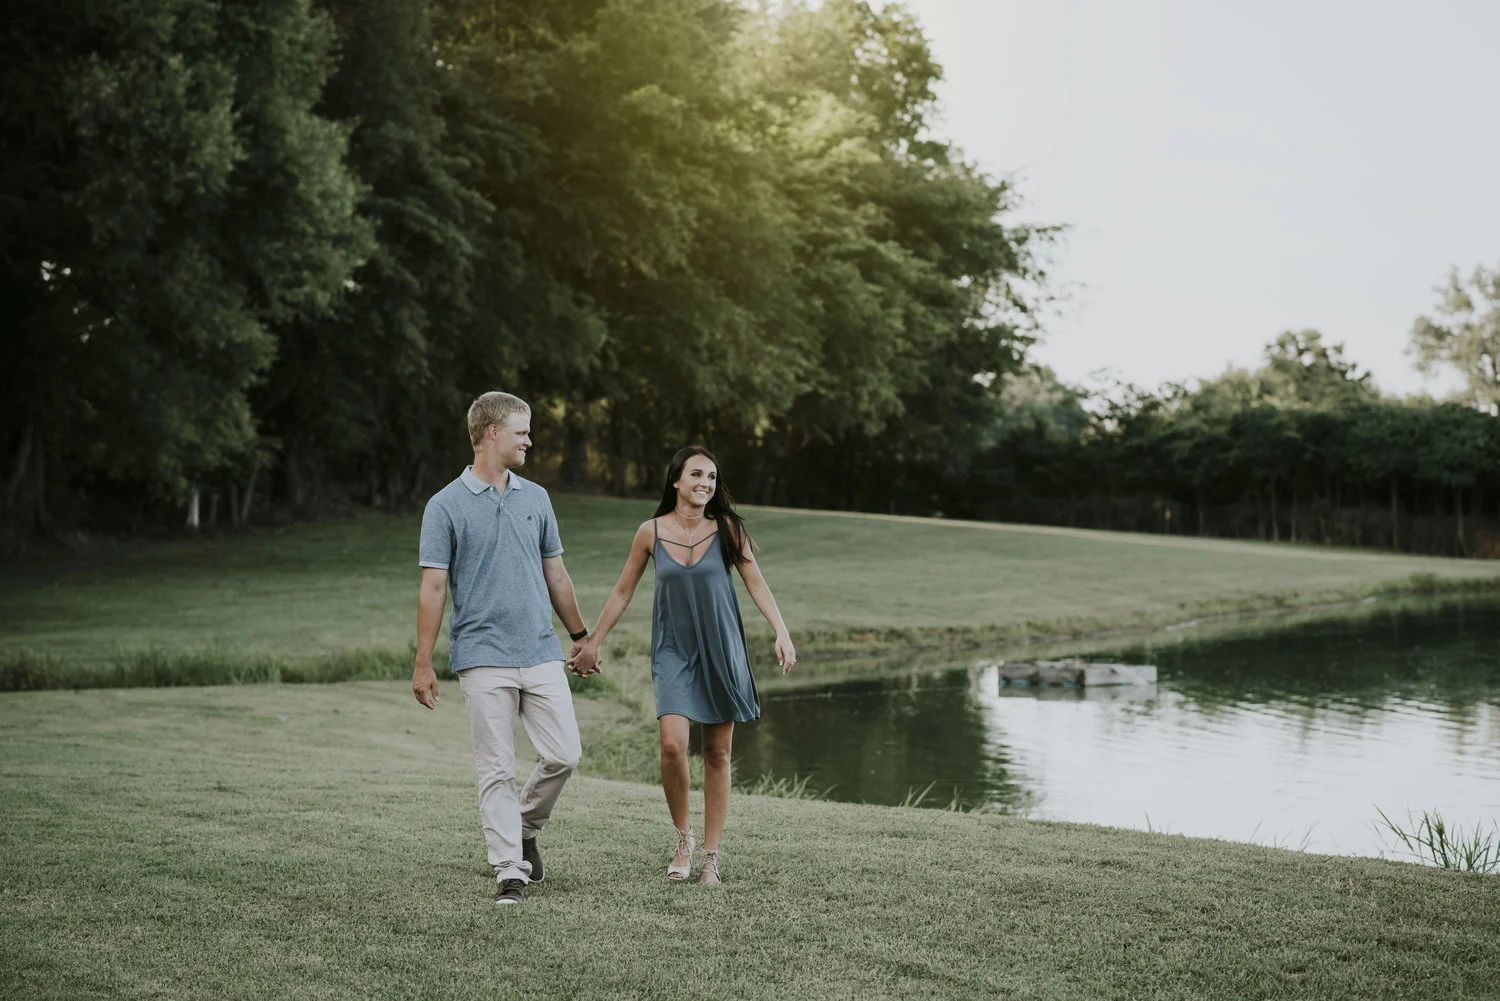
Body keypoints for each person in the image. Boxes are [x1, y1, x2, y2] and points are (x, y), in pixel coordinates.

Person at [411, 391, 600, 905]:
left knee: (564, 753)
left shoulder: (536, 498)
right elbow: (433, 588)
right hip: (481, 655)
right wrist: (423, 662)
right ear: (492, 432)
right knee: (496, 768)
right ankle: (508, 871)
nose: (529, 440)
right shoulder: (445, 506)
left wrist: (580, 638)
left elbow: (556, 574)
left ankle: (524, 828)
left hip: (540, 651)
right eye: (522, 431)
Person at [573, 446, 795, 884]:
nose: (706, 484)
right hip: (673, 650)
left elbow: (756, 582)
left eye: (712, 477)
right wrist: (593, 642)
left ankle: (711, 856)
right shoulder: (650, 532)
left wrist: (781, 631)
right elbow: (622, 592)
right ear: (676, 480)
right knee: (673, 746)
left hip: (721, 648)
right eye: (697, 474)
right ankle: (683, 838)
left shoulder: (728, 529)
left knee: (717, 752)